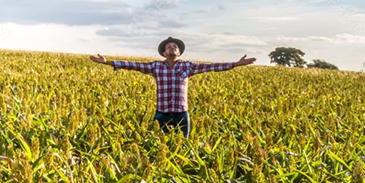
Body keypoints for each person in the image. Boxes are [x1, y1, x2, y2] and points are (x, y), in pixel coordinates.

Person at [89, 36, 255, 137]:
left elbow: (212, 66)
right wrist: (108, 62)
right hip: (162, 113)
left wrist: (236, 64)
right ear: (163, 53)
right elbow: (132, 64)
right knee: (161, 144)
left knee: (184, 144)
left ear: (180, 52)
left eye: (175, 47)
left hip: (182, 112)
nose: (172, 48)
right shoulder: (156, 67)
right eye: (169, 47)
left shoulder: (188, 66)